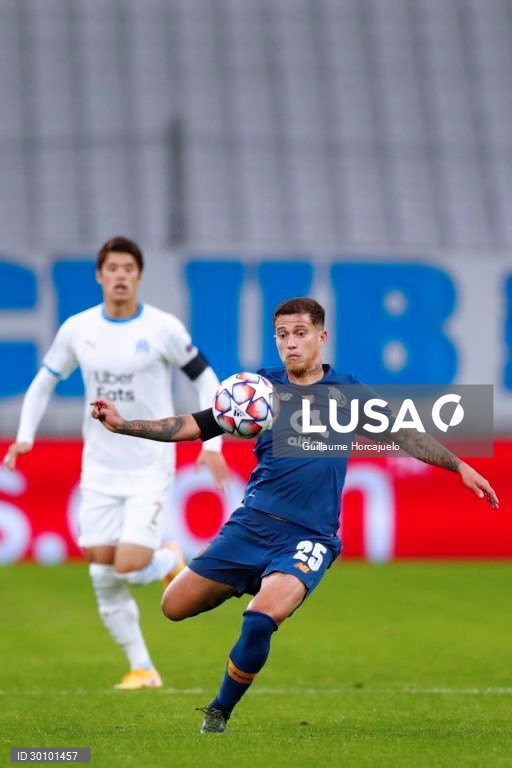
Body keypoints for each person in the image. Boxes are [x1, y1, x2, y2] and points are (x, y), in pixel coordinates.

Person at [90, 296, 499, 729]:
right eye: (282, 335)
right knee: (172, 607)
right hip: (250, 526)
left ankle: (219, 711)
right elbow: (195, 425)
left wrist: (458, 465)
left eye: (300, 333)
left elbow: (404, 433)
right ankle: (228, 575)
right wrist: (125, 424)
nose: (291, 343)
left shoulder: (346, 393)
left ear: (321, 338)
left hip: (309, 537)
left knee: (261, 620)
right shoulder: (258, 390)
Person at [3, 236, 229, 690]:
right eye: (113, 268)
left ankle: (168, 557)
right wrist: (25, 436)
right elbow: (44, 382)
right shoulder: (79, 329)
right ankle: (142, 668)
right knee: (101, 571)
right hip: (101, 468)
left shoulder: (163, 328)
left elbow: (208, 379)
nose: (121, 275)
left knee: (127, 564)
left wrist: (212, 443)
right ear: (100, 276)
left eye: (129, 268)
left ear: (139, 276)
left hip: (149, 464)